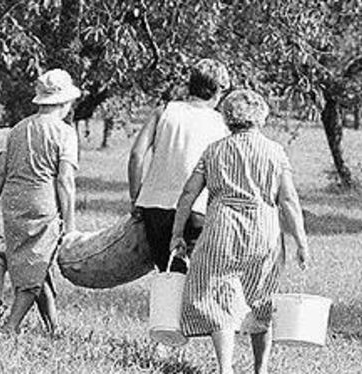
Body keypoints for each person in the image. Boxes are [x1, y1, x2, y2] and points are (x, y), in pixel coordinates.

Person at [169, 89, 310, 374]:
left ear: (227, 117)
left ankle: (225, 368)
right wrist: (301, 242)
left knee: (219, 295)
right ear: (261, 116)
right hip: (264, 230)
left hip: (223, 228)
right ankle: (261, 369)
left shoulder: (214, 150)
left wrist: (177, 234)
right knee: (262, 296)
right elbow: (288, 200)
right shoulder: (275, 152)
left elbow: (187, 194)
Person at [0, 69, 80, 334]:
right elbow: (65, 181)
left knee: (35, 266)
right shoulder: (65, 133)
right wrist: (69, 226)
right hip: (42, 207)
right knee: (33, 273)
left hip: (13, 206)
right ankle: (11, 326)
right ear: (65, 103)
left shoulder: (17, 129)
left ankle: (53, 328)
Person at [128, 58, 230, 274]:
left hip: (155, 206)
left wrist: (136, 198)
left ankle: (165, 309)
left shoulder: (164, 111)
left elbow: (137, 155)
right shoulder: (221, 123)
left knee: (167, 275)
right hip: (197, 208)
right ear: (217, 91)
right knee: (192, 280)